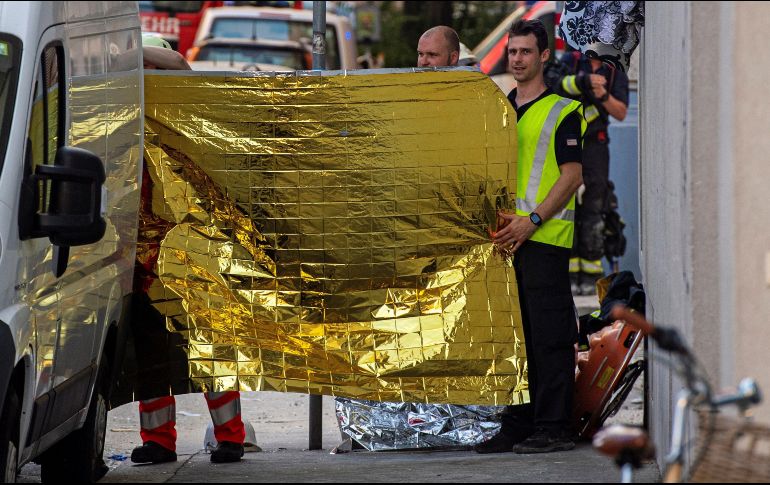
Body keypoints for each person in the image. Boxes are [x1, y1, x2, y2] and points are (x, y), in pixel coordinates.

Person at [130, 34, 246, 465]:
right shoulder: (125, 116)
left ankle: (230, 436)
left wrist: (130, 49)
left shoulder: (181, 110)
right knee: (152, 358)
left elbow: (180, 63)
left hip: (189, 253)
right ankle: (159, 441)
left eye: (149, 68)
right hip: (142, 262)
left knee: (209, 347)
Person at [474, 19, 585, 454]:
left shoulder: (563, 110)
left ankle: (554, 425)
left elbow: (573, 176)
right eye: (512, 52)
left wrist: (532, 220)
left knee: (550, 335)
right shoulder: (500, 108)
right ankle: (518, 422)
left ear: (543, 56)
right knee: (514, 337)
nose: (517, 59)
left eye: (525, 52)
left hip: (543, 238)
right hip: (505, 241)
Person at [548, 48, 629, 295]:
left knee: (596, 207)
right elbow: (554, 85)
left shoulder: (615, 70)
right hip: (570, 142)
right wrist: (583, 82)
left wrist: (601, 94)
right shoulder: (572, 61)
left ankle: (591, 275)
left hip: (596, 144)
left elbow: (621, 112)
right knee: (566, 205)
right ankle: (569, 273)